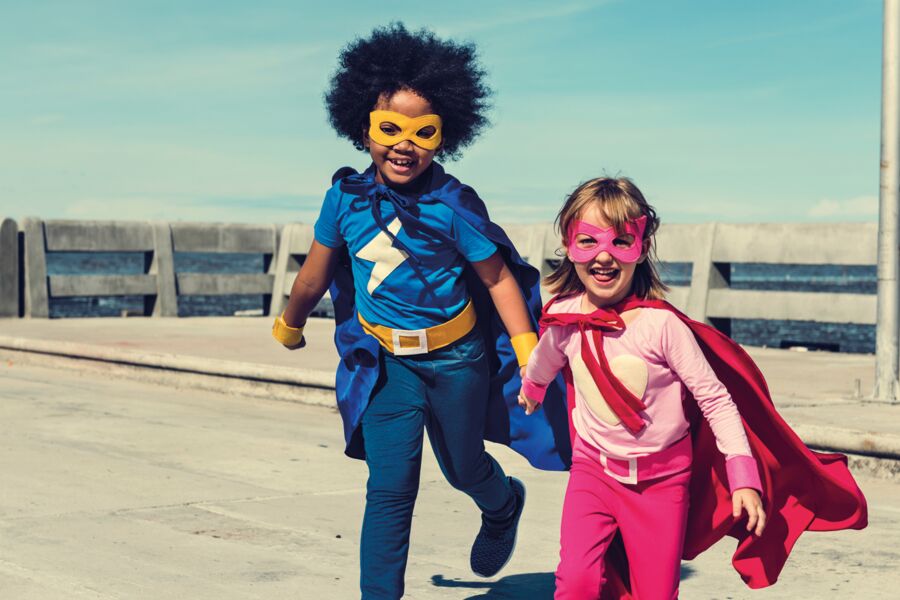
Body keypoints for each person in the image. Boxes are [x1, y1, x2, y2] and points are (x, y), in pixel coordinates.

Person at [270, 22, 570, 599]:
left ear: (444, 136)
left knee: (463, 466)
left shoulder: (453, 203)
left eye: (422, 132)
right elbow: (315, 271)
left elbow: (500, 278)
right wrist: (292, 320)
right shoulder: (344, 198)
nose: (404, 145)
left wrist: (530, 350)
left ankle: (503, 504)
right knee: (389, 488)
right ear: (362, 127)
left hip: (458, 360)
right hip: (386, 366)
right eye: (389, 129)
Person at [519, 177, 868, 599]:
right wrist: (532, 389)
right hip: (594, 474)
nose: (605, 256)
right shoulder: (565, 319)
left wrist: (744, 478)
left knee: (656, 592)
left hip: (662, 483)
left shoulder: (662, 326)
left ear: (642, 247)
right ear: (568, 245)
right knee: (577, 582)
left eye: (621, 242)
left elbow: (716, 400)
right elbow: (544, 359)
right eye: (589, 241)